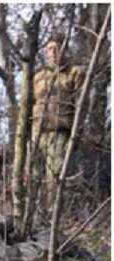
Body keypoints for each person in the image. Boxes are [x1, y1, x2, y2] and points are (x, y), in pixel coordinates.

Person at [31, 34, 84, 215]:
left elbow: (81, 105)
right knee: (33, 176)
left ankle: (54, 218)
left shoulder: (74, 73)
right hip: (37, 133)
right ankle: (33, 217)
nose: (53, 53)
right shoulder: (38, 77)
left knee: (54, 179)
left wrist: (76, 133)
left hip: (60, 132)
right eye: (50, 49)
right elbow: (28, 104)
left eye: (57, 48)